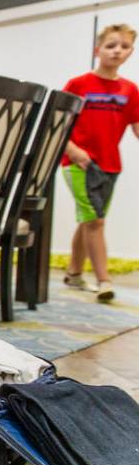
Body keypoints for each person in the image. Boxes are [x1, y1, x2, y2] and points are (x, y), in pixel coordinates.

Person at [61, 23, 139, 302]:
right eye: (111, 45)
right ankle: (104, 280)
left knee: (88, 220)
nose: (117, 51)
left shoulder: (130, 90)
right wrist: (74, 150)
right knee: (95, 221)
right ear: (98, 49)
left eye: (124, 46)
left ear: (131, 51)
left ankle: (73, 273)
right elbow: (58, 125)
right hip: (78, 162)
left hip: (110, 165)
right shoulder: (79, 85)